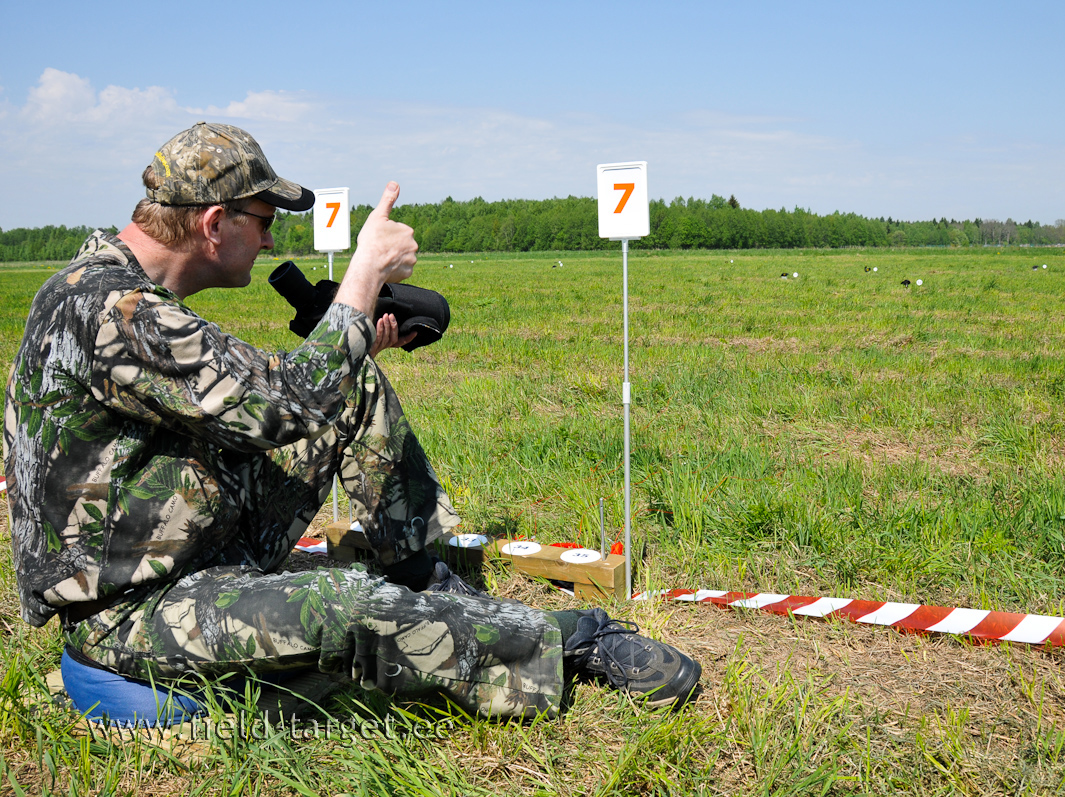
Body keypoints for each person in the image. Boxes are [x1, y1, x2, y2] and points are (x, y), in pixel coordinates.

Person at [3, 122, 700, 720]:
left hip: (181, 543)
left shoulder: (108, 290)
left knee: (350, 386)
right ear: (215, 224)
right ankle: (572, 641)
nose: (269, 242)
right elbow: (281, 408)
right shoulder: (110, 309)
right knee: (338, 603)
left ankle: (423, 578)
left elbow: (259, 392)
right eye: (265, 221)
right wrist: (363, 275)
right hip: (130, 608)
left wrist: (355, 343)